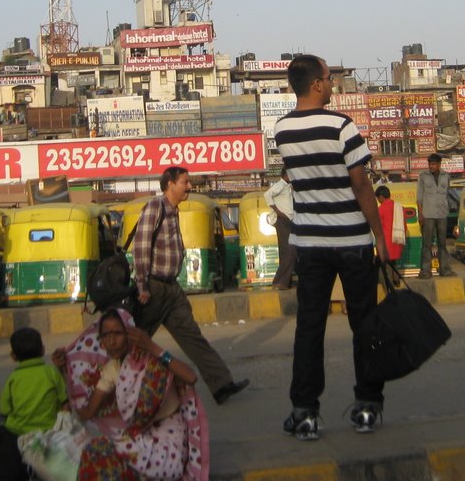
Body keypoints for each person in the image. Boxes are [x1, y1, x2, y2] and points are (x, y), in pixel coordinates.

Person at [274, 54, 390, 440]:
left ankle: (305, 412)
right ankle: (368, 407)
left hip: (310, 243)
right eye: (330, 78)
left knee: (309, 327)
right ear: (317, 84)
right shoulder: (342, 125)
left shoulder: (283, 130)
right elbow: (360, 185)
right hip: (353, 241)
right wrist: (379, 236)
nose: (333, 84)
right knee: (364, 325)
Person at [131, 166, 249, 405]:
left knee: (192, 336)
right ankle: (113, 385)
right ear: (170, 184)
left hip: (170, 289)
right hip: (153, 289)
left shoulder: (173, 211)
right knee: (135, 340)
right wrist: (142, 285)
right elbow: (141, 246)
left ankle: (221, 384)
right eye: (185, 182)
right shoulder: (156, 207)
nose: (189, 187)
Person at [52, 308, 208, 480]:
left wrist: (151, 346)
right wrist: (64, 371)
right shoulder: (112, 369)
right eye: (106, 335)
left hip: (168, 439)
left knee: (115, 458)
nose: (111, 341)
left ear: (130, 333)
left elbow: (190, 377)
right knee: (95, 452)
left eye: (118, 333)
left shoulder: (152, 358)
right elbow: (88, 412)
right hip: (140, 437)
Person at [0, 328, 68, 438]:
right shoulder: (51, 372)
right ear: (43, 350)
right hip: (50, 429)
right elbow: (65, 401)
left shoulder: (13, 379)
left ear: (13, 356)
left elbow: (4, 409)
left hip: (19, 432)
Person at [416, 153, 456, 279]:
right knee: (427, 244)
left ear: (439, 164)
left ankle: (444, 269)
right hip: (428, 215)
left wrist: (449, 208)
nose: (431, 166)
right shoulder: (423, 177)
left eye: (433, 164)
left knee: (442, 244)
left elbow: (448, 195)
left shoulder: (446, 176)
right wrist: (420, 214)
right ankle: (426, 271)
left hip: (442, 214)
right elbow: (419, 197)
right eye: (429, 164)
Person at [263, 171, 297, 290]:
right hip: (282, 221)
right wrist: (278, 212)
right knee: (290, 251)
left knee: (288, 252)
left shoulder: (288, 187)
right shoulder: (280, 185)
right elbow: (267, 195)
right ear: (285, 175)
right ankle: (279, 281)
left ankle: (285, 282)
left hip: (289, 221)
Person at [375, 186, 407, 282]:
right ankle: (396, 280)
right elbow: (404, 225)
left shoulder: (381, 209)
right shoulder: (399, 207)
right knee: (394, 262)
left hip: (386, 242)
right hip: (397, 241)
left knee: (386, 264)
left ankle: (389, 285)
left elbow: (377, 226)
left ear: (381, 197)